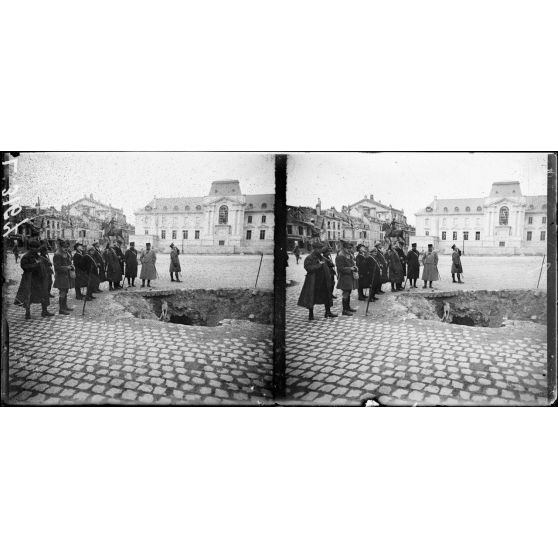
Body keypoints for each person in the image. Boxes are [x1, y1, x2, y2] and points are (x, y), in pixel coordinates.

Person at [14, 239, 54, 319]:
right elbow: (25, 267)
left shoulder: (37, 255)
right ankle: (27, 313)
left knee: (44, 294)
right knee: (29, 296)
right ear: (31, 248)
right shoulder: (26, 257)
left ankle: (44, 311)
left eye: (37, 248)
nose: (37, 250)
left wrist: (47, 262)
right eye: (35, 248)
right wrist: (36, 264)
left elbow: (42, 260)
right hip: (30, 279)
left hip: (39, 279)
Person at [297, 240, 336, 320]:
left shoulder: (322, 257)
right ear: (314, 249)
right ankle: (311, 314)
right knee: (312, 297)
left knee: (327, 296)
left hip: (324, 281)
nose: (320, 250)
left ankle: (327, 312)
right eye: (319, 248)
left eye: (321, 248)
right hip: (314, 282)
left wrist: (330, 263)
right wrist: (319, 265)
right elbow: (308, 268)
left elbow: (329, 264)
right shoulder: (309, 258)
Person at [335, 240, 358, 316]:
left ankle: (348, 307)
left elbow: (351, 264)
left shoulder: (349, 255)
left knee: (349, 292)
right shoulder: (340, 256)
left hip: (349, 277)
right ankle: (344, 310)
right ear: (344, 248)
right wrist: (350, 268)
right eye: (348, 248)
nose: (350, 250)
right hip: (344, 278)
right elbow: (340, 268)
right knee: (345, 293)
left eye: (351, 248)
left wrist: (354, 267)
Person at [53, 238, 75, 315]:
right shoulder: (57, 254)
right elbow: (57, 267)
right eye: (64, 248)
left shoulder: (66, 253)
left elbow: (68, 261)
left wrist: (71, 265)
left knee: (65, 291)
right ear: (60, 247)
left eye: (67, 248)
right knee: (62, 292)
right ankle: (61, 309)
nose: (66, 249)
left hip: (66, 276)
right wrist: (67, 267)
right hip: (61, 277)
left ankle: (65, 306)